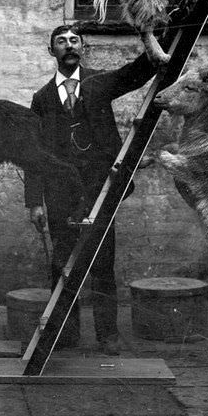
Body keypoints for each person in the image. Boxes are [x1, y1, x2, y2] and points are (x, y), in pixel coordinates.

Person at [24, 24, 158, 354]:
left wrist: (153, 35)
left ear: (83, 48)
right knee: (62, 265)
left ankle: (107, 335)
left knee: (101, 263)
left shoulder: (98, 82)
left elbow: (136, 73)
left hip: (99, 190)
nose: (69, 46)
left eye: (74, 41)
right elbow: (31, 151)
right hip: (60, 194)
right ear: (51, 51)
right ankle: (65, 335)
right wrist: (34, 202)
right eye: (61, 41)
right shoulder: (41, 99)